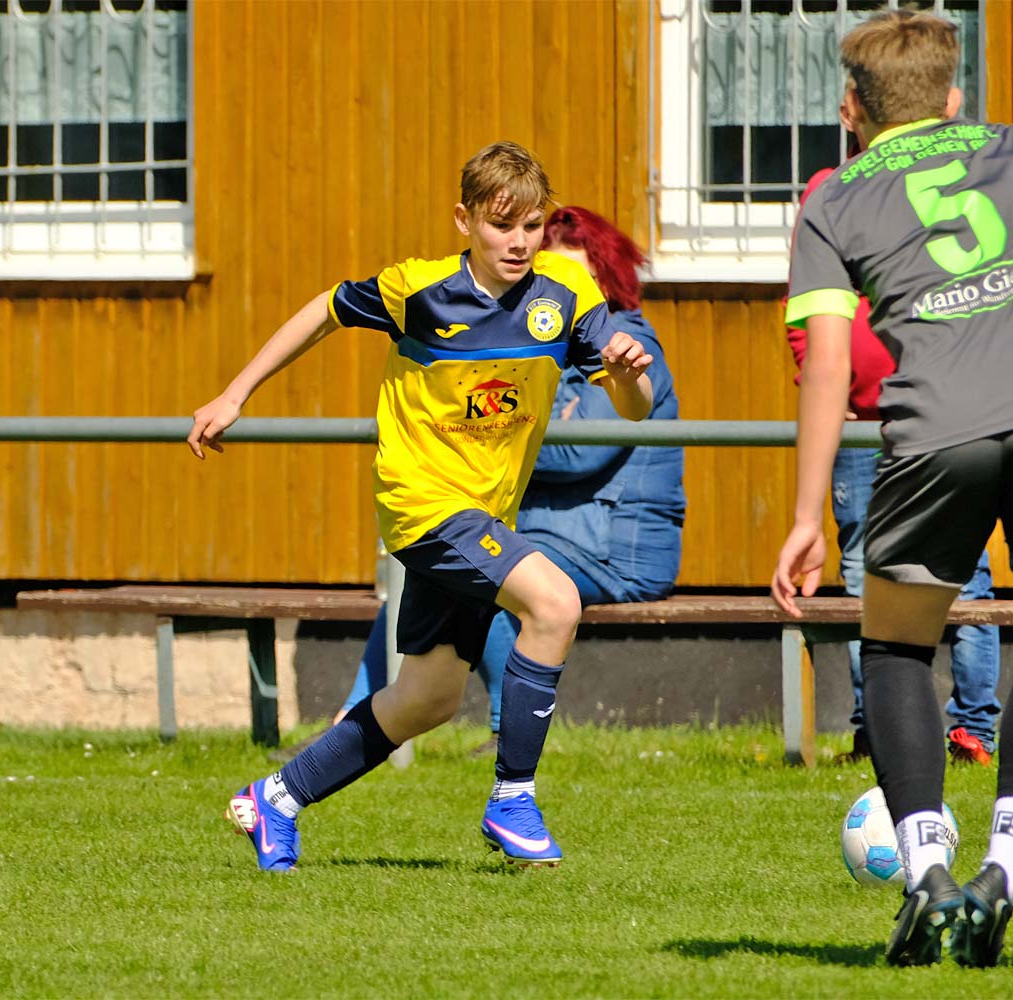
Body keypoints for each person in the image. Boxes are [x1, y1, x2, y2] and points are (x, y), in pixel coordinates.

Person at [190, 142, 655, 872]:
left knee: (427, 699)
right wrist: (234, 393)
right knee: (555, 603)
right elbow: (324, 310)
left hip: (486, 515)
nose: (519, 242)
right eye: (502, 225)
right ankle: (512, 798)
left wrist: (627, 373)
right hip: (423, 507)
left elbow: (635, 409)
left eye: (532, 225)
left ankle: (274, 797)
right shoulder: (420, 290)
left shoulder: (566, 290)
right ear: (464, 220)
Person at [774, 10, 1013, 968]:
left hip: (938, 426)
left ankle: (926, 874)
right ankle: (1006, 868)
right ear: (954, 97)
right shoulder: (1012, 144)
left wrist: (806, 516)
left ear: (851, 111)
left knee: (897, 647)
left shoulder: (831, 200)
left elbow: (828, 364)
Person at [329, 207, 685, 749]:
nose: (552, 287)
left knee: (492, 579)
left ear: (604, 277)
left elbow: (579, 454)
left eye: (574, 274)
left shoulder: (625, 346)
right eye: (547, 268)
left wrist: (476, 435)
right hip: (557, 534)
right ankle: (350, 719)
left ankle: (503, 730)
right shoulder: (534, 338)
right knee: (436, 566)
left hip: (617, 550)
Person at [787, 174, 1001, 767]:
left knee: (966, 576)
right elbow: (802, 306)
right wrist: (817, 378)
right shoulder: (827, 189)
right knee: (866, 575)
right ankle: (878, 729)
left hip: (950, 421)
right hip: (861, 427)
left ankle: (973, 731)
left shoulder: (947, 174)